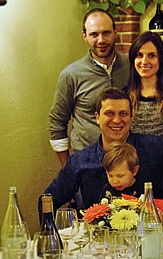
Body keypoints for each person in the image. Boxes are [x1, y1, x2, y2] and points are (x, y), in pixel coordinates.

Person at [41, 87, 163, 214]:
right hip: (98, 240)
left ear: (131, 117)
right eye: (109, 113)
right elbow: (47, 200)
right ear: (97, 117)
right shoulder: (80, 161)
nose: (117, 120)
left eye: (123, 114)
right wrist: (52, 233)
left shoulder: (157, 148)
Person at [49, 9, 130, 167]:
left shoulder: (132, 66)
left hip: (126, 163)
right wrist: (69, 168)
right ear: (84, 36)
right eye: (94, 34)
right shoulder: (71, 74)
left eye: (106, 33)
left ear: (115, 32)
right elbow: (57, 122)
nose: (101, 40)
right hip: (86, 162)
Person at [125, 31, 163, 137]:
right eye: (139, 55)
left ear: (160, 59)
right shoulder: (124, 96)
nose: (144, 61)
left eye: (151, 55)